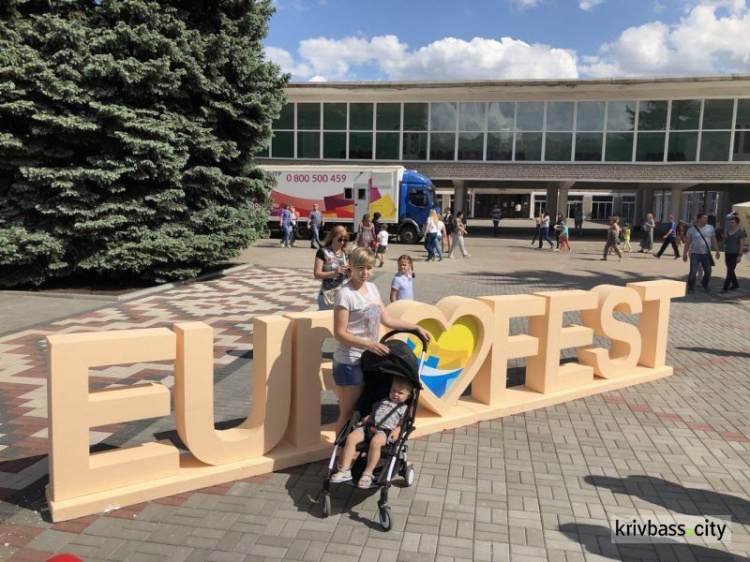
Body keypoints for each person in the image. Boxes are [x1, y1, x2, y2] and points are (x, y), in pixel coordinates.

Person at [332, 247, 430, 436]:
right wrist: (369, 344)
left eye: (369, 268)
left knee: (363, 408)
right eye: (360, 267)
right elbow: (339, 333)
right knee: (348, 413)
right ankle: (339, 459)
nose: (365, 273)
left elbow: (387, 320)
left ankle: (353, 453)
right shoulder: (345, 295)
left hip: (370, 359)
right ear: (351, 267)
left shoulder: (372, 288)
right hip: (349, 361)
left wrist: (414, 327)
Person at [330, 376, 413, 489]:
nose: (395, 394)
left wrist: (398, 429)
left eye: (400, 393)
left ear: (408, 396)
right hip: (369, 427)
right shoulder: (382, 401)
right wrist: (366, 419)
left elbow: (403, 423)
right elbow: (374, 413)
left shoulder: (404, 408)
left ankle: (368, 473)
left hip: (385, 431)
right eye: (393, 390)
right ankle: (345, 470)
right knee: (351, 437)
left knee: (375, 442)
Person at [313, 226, 349, 310]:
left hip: (342, 294)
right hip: (328, 295)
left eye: (345, 240)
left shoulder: (345, 253)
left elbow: (347, 276)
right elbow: (316, 274)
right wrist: (334, 272)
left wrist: (350, 272)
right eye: (340, 239)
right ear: (332, 237)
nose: (342, 242)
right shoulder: (323, 252)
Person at [683, 212, 720, 294]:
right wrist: (685, 253)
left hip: (706, 254)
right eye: (704, 218)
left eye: (707, 218)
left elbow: (713, 240)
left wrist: (717, 250)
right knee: (693, 271)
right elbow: (687, 243)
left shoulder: (710, 228)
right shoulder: (691, 229)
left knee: (708, 271)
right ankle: (691, 288)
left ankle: (704, 284)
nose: (706, 219)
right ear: (699, 219)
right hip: (695, 254)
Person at [722, 215, 747, 293]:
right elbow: (725, 242)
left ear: (737, 223)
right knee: (730, 269)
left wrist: (740, 255)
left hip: (735, 254)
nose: (731, 224)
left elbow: (742, 244)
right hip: (727, 253)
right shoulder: (728, 232)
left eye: (732, 223)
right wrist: (724, 237)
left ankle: (725, 288)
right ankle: (735, 284)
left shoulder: (740, 233)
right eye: (730, 223)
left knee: (729, 271)